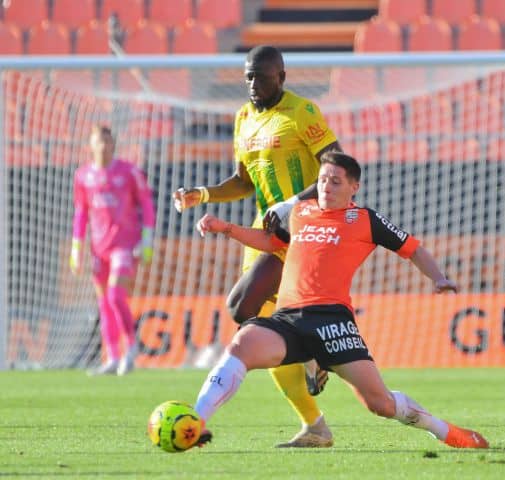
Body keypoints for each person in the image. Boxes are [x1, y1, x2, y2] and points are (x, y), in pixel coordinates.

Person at [192, 152, 489, 450]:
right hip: (289, 320)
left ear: (353, 187)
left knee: (381, 404)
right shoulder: (301, 212)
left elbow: (412, 249)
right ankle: (195, 423)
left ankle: (447, 432)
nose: (326, 187)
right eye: (322, 180)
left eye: (335, 181)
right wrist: (227, 229)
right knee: (241, 345)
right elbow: (271, 243)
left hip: (332, 322)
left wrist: (438, 277)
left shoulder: (365, 219)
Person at [172, 45, 341, 447]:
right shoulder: (244, 118)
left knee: (247, 310)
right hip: (263, 231)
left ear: (281, 77)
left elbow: (334, 168)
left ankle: (314, 349)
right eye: (248, 76)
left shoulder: (303, 113)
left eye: (261, 76)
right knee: (258, 327)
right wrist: (204, 194)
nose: (252, 83)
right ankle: (315, 424)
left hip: (303, 228)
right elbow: (243, 181)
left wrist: (292, 203)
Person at [70, 125, 155, 376]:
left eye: (108, 141)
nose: (104, 146)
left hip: (125, 245)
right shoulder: (83, 176)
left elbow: (147, 205)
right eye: (99, 141)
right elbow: (81, 212)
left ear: (114, 144)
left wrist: (147, 239)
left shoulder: (129, 172)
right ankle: (112, 357)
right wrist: (77, 247)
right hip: (99, 249)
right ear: (91, 145)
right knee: (104, 302)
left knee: (117, 296)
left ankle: (130, 349)